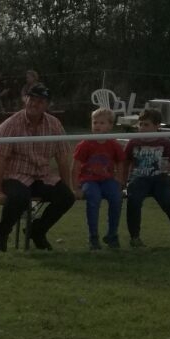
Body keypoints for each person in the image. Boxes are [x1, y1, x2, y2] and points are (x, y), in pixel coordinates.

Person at [0, 84, 76, 251]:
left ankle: (36, 231)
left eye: (41, 101)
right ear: (25, 99)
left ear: (47, 105)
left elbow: (62, 158)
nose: (35, 104)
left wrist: (67, 186)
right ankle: (2, 235)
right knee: (19, 197)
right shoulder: (10, 126)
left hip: (42, 175)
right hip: (15, 175)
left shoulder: (54, 125)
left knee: (66, 197)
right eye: (32, 99)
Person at [123, 108, 170, 248]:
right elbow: (125, 162)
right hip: (139, 178)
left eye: (146, 125)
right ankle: (135, 238)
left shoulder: (166, 143)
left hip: (160, 179)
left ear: (157, 126)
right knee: (134, 201)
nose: (142, 128)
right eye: (140, 124)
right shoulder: (133, 142)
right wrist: (123, 181)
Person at [73, 107, 126, 250]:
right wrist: (76, 186)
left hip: (107, 179)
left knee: (116, 198)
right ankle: (93, 237)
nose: (97, 126)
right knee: (93, 199)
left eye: (102, 123)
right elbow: (76, 165)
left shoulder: (113, 144)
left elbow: (121, 161)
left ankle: (112, 235)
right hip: (89, 180)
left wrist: (120, 179)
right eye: (95, 122)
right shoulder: (85, 144)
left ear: (110, 125)